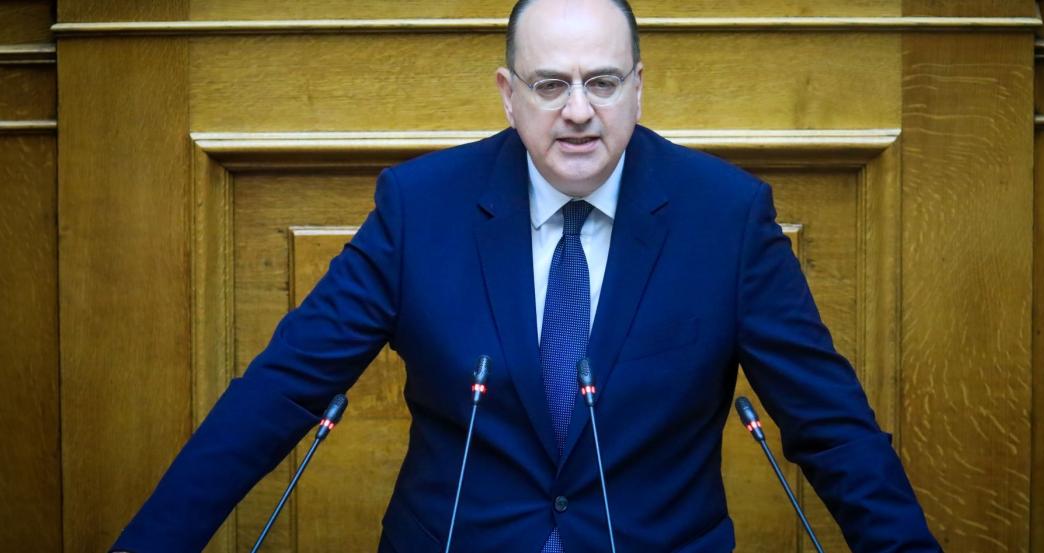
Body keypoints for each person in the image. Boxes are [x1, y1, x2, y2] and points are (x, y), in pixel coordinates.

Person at [112, 0, 941, 551]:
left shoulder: (726, 218)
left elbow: (833, 428)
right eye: (551, 84)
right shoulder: (420, 207)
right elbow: (279, 392)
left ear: (639, 89)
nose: (578, 110)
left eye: (602, 82)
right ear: (508, 95)